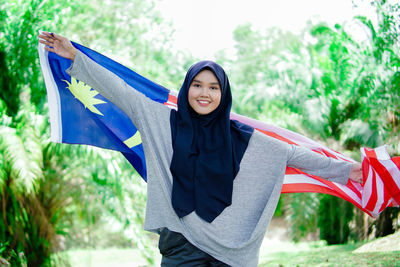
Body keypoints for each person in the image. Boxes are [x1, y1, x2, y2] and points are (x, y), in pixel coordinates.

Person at [38, 32, 363, 267]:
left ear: (224, 94)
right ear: (186, 88)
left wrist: (349, 170)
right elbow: (120, 91)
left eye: (213, 87)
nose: (204, 93)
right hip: (180, 246)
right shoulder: (160, 121)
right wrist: (75, 57)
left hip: (229, 253)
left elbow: (293, 155)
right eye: (197, 85)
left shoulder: (245, 138)